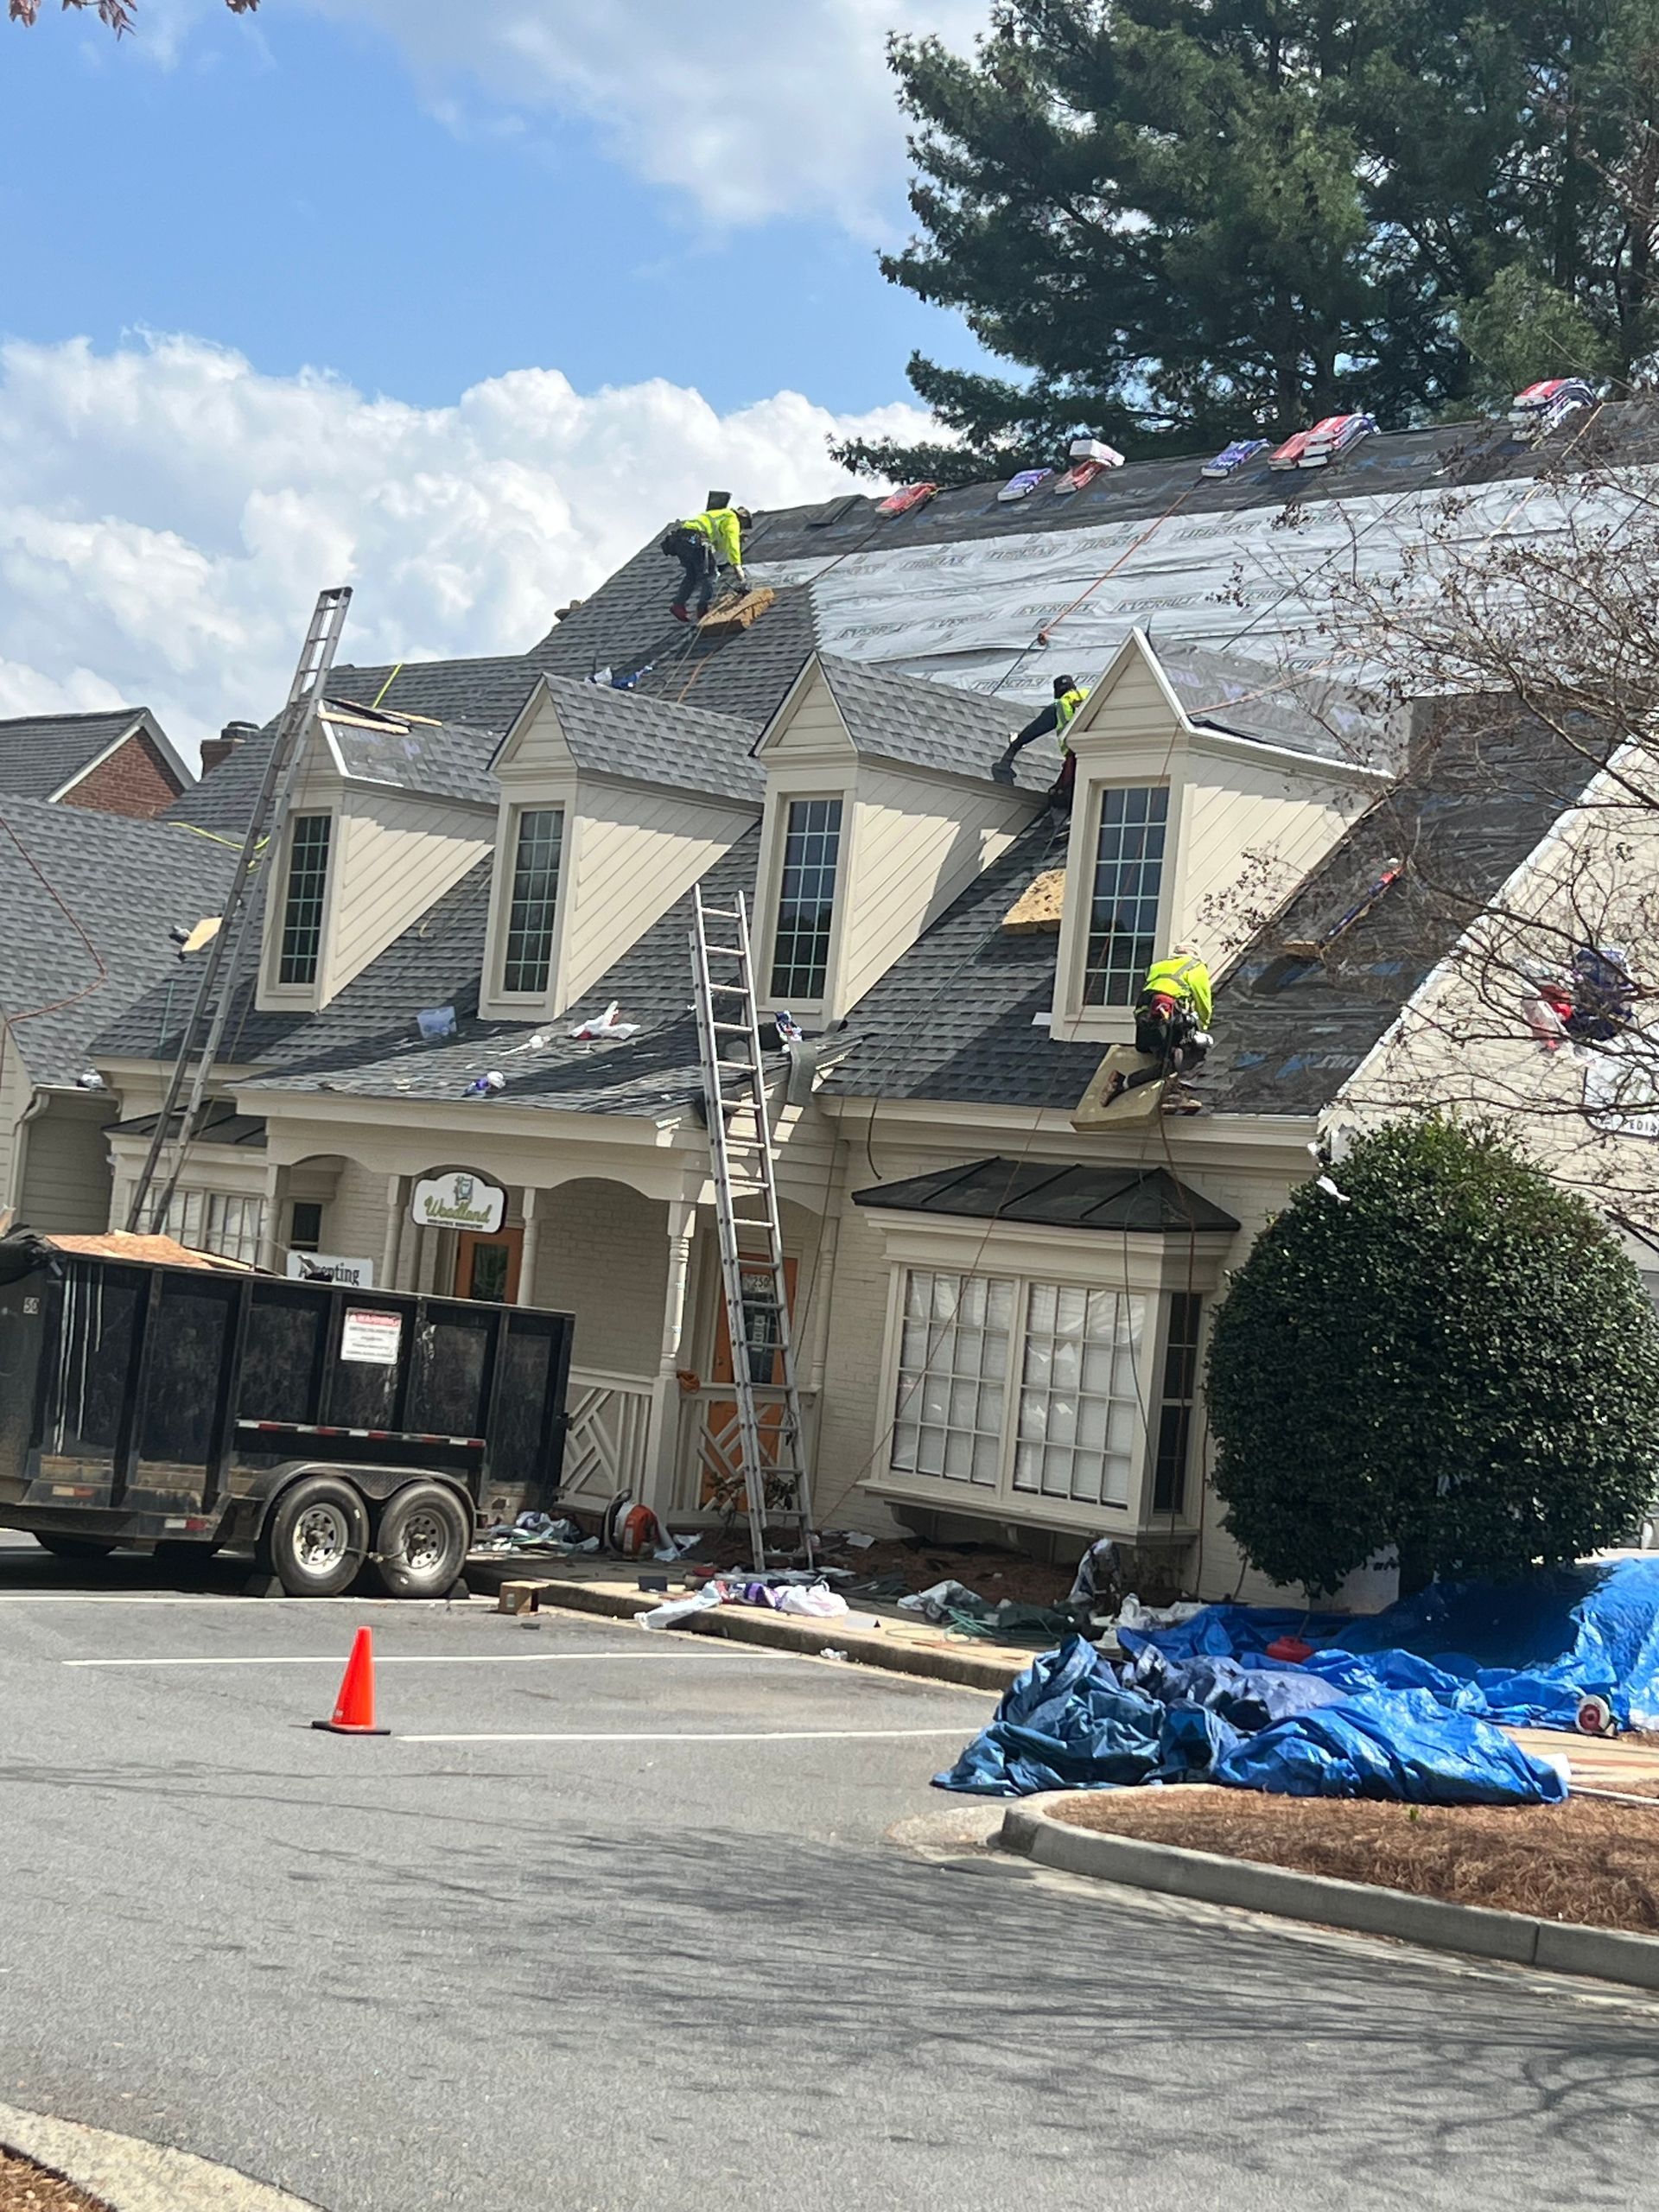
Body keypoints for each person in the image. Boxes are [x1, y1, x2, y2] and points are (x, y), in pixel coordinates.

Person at [1100, 944, 1214, 1110]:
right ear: (1195, 956)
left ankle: (1123, 1083)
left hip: (1146, 1022)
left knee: (1167, 1063)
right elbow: (1203, 1003)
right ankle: (1175, 1095)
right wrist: (1202, 1028)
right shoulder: (1196, 967)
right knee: (1193, 1052)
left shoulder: (1156, 967)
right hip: (1168, 1020)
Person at [662, 503, 752, 621]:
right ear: (742, 520)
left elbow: (718, 545)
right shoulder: (732, 519)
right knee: (711, 574)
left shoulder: (720, 514)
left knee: (692, 575)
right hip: (695, 538)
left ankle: (678, 605)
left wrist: (738, 536)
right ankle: (703, 608)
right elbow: (732, 544)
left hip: (681, 540)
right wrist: (738, 568)